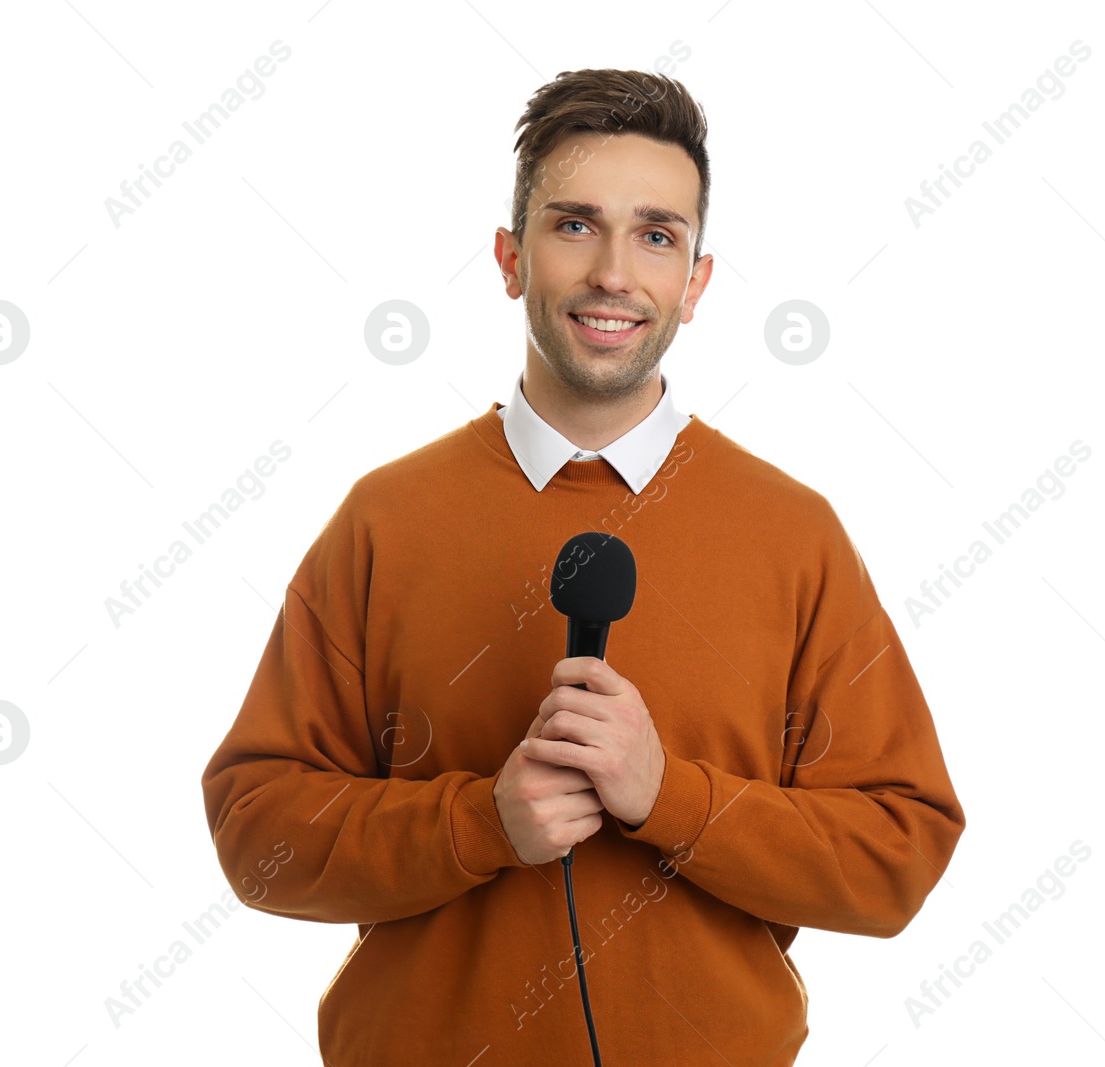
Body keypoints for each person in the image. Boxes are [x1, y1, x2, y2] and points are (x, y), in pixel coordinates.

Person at [201, 68, 965, 1066]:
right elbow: (259, 832)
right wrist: (479, 820)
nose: (614, 271)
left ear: (694, 282)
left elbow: (896, 854)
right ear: (510, 259)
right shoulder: (386, 520)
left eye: (656, 234)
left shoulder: (794, 534)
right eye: (573, 225)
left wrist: (671, 798)